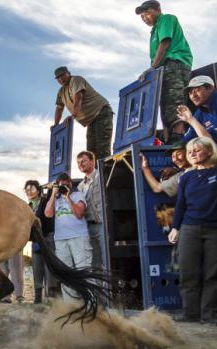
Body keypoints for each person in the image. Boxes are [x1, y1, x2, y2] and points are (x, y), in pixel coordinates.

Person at [168, 136, 217, 323]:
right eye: (190, 151)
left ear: (210, 151)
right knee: (188, 273)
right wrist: (175, 228)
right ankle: (190, 314)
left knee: (213, 274)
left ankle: (209, 314)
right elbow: (180, 205)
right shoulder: (186, 177)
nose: (192, 153)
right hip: (189, 228)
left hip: (214, 230)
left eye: (197, 149)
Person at [136, 0, 193, 144]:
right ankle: (170, 143)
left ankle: (179, 141)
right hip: (163, 69)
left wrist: (152, 68)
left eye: (147, 13)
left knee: (175, 105)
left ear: (157, 9)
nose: (145, 18)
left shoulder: (166, 19)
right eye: (142, 16)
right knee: (165, 108)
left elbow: (165, 43)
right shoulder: (154, 30)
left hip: (175, 65)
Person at [45, 172, 92, 301]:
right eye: (62, 185)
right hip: (61, 240)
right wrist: (54, 195)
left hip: (79, 238)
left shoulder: (78, 195)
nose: (64, 188)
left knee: (83, 270)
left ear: (70, 185)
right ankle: (70, 305)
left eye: (66, 185)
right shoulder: (56, 198)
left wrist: (68, 198)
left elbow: (79, 214)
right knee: (66, 273)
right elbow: (48, 214)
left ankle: (89, 302)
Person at [53, 66, 114, 159]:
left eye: (62, 75)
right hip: (90, 120)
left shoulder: (76, 80)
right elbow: (59, 108)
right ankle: (97, 173)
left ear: (68, 73)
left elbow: (78, 96)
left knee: (102, 148)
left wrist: (73, 115)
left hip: (101, 112)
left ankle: (106, 172)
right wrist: (55, 125)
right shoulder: (61, 92)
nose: (61, 79)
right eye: (58, 78)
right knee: (91, 152)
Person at [23, 180, 58, 303]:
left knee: (49, 266)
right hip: (36, 240)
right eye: (27, 190)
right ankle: (38, 296)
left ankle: (51, 294)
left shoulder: (44, 201)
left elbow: (47, 217)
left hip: (48, 237)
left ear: (38, 190)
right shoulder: (28, 206)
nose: (29, 192)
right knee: (37, 267)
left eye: (32, 189)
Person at [77, 151, 105, 271]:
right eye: (78, 162)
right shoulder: (80, 186)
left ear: (93, 161)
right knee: (94, 261)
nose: (80, 164)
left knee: (106, 258)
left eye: (83, 161)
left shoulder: (101, 176)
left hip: (102, 224)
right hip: (87, 226)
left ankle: (109, 288)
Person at [177, 76, 217, 143]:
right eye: (190, 93)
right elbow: (187, 141)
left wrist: (191, 119)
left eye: (197, 90)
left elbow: (209, 144)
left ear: (210, 88)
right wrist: (190, 119)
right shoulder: (199, 113)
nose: (193, 96)